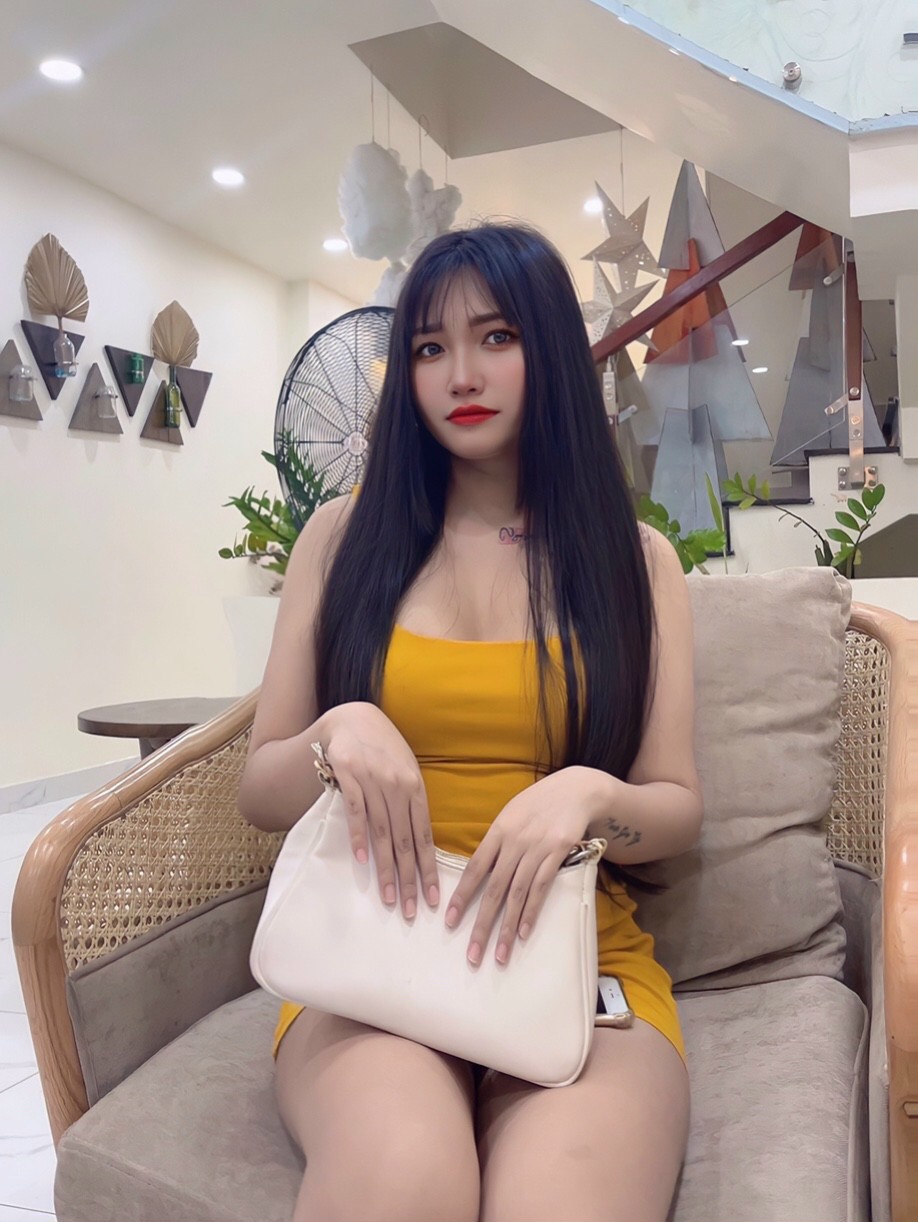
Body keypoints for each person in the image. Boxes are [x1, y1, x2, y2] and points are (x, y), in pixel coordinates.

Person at [237, 221, 702, 1222]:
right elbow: (259, 790)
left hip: (574, 958)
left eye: (497, 337)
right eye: (429, 347)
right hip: (368, 955)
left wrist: (590, 795)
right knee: (403, 1174)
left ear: (550, 350)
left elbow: (676, 808)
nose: (461, 375)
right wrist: (335, 731)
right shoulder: (340, 539)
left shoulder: (635, 561)